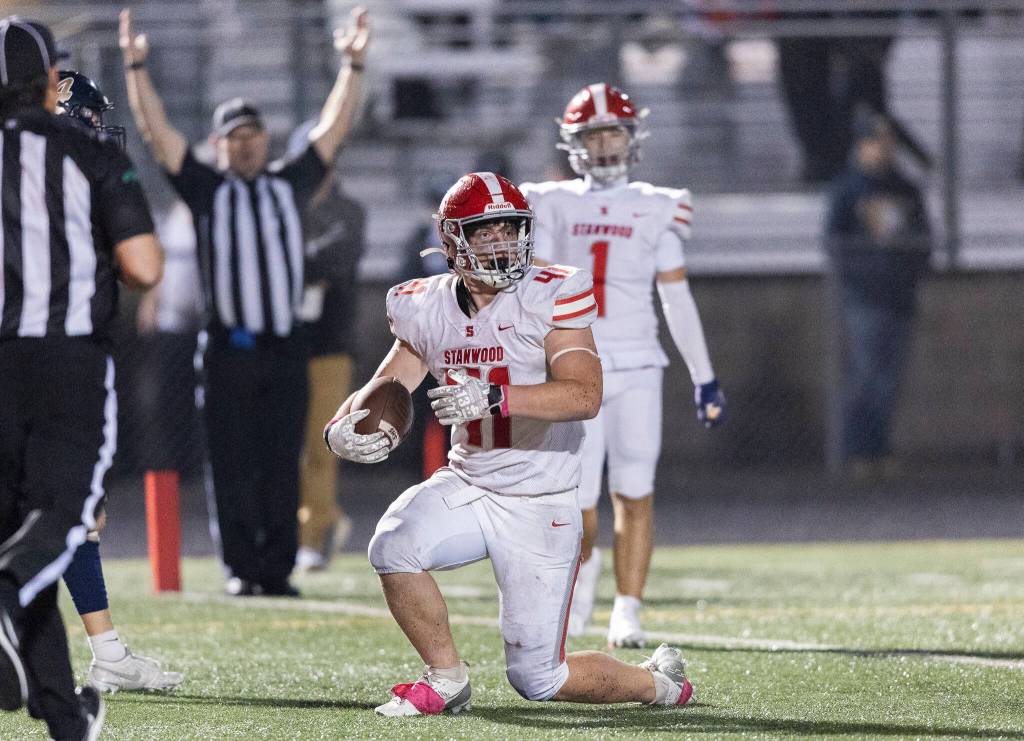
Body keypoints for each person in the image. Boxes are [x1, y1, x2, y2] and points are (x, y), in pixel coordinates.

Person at [325, 172, 695, 716]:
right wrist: (342, 428)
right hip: (471, 479)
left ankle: (660, 685)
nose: (501, 243)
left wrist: (494, 398)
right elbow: (391, 382)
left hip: (540, 498)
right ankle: (446, 677)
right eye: (485, 231)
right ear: (452, 241)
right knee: (392, 545)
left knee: (540, 680)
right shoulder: (421, 303)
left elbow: (586, 394)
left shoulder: (554, 291)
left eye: (509, 229)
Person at [120, 7, 370, 596]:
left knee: (282, 461)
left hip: (286, 348)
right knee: (230, 465)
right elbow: (157, 135)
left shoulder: (290, 183)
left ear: (265, 139)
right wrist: (135, 67)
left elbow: (333, 129)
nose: (246, 145)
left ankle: (277, 568)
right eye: (234, 137)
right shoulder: (207, 191)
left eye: (252, 135)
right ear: (219, 145)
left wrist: (353, 65)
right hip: (228, 349)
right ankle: (240, 567)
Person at [0, 17, 163, 739]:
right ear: (47, 82)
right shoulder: (87, 151)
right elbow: (146, 267)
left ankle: (66, 715)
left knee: (22, 534)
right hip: (63, 359)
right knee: (65, 524)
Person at [520, 83, 725, 648]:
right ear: (574, 143)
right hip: (575, 368)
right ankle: (581, 584)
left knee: (636, 490)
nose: (606, 145)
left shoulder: (658, 204)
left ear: (632, 139)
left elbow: (676, 299)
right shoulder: (551, 203)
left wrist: (703, 375)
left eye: (614, 133)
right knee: (579, 498)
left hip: (638, 365)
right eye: (595, 134)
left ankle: (628, 608)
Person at [54, 68, 185, 694]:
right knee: (67, 512)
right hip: (46, 365)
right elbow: (144, 268)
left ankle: (106, 650)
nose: (101, 133)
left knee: (79, 513)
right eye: (90, 120)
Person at [825, 108, 931, 475]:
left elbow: (924, 240)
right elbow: (834, 241)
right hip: (865, 300)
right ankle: (856, 452)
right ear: (861, 145)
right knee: (865, 377)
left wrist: (905, 274)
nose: (883, 150)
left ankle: (879, 450)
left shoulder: (905, 189)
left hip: (899, 298)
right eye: (876, 142)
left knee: (889, 381)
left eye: (888, 142)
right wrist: (864, 276)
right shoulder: (848, 189)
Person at [294, 157, 367, 571]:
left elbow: (330, 262)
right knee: (288, 445)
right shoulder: (288, 203)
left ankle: (313, 533)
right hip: (286, 342)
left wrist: (295, 265)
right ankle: (325, 519)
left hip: (329, 342)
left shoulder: (348, 211)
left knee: (320, 443)